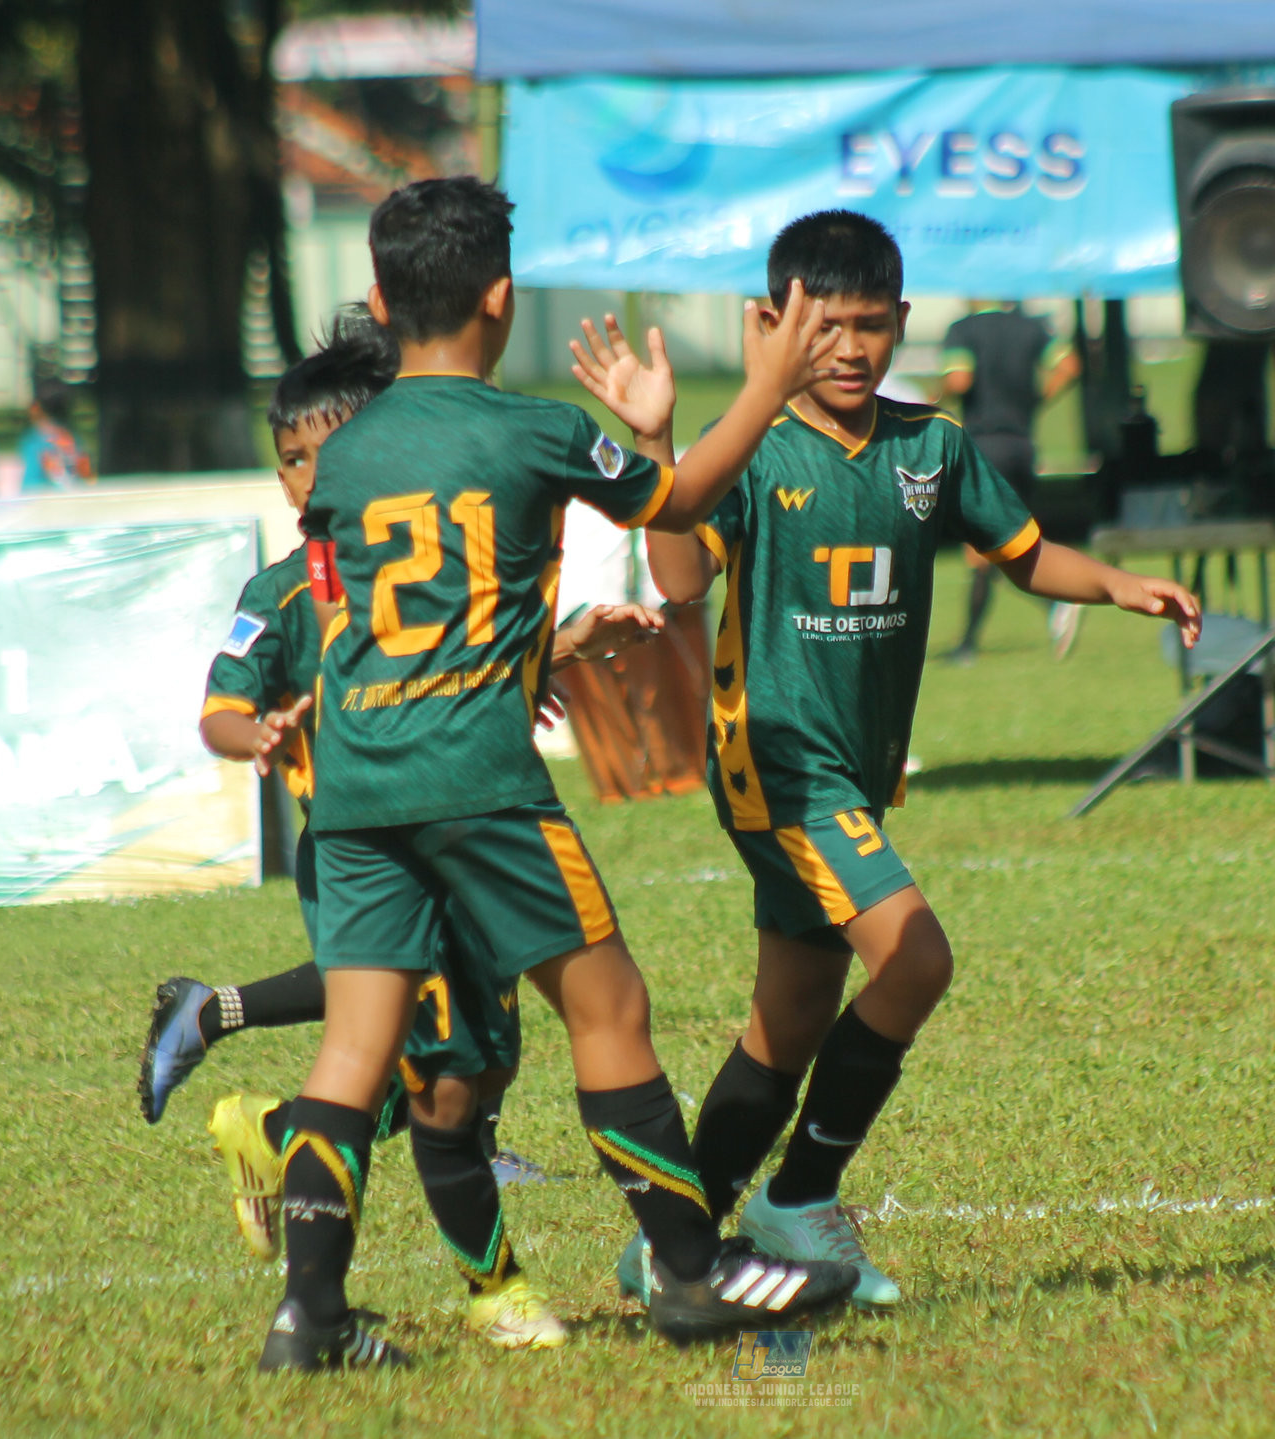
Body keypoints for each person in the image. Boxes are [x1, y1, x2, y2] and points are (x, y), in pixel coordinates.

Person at [256, 176, 857, 1373]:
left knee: (354, 1047)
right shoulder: (530, 429)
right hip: (476, 780)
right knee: (609, 1007)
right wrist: (757, 390)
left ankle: (309, 1317)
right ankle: (688, 1275)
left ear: (379, 301)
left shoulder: (345, 453)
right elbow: (679, 502)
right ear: (501, 296)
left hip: (359, 786)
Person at [574, 210, 1199, 1309]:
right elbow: (677, 577)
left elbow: (1023, 552)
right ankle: (798, 1195)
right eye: (826, 328)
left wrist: (1115, 583)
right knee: (915, 958)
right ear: (771, 325)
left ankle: (672, 1240)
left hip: (851, 770)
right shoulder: (753, 448)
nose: (851, 348)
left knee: (792, 1013)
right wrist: (662, 445)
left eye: (872, 325)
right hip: (779, 766)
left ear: (905, 322)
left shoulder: (932, 447)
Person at [147, 310, 666, 1352]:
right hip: (373, 854)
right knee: (443, 1083)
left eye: (324, 451)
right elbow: (219, 705)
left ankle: (279, 1129)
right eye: (289, 458)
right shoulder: (286, 591)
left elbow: (454, 671)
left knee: (467, 1068)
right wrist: (261, 730)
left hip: (468, 832)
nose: (305, 476)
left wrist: (561, 647)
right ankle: (494, 1288)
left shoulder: (418, 555)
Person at [936, 300, 1082, 663]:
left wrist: (932, 399)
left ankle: (969, 645)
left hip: (984, 446)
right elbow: (1069, 365)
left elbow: (959, 379)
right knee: (999, 544)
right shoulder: (1030, 327)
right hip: (1021, 446)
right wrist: (1034, 400)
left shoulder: (964, 329)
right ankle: (1055, 603)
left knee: (983, 549)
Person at [19, 379, 93, 491]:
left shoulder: (35, 441)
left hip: (43, 503)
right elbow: (87, 478)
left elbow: (30, 485)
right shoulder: (73, 439)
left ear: (36, 407)